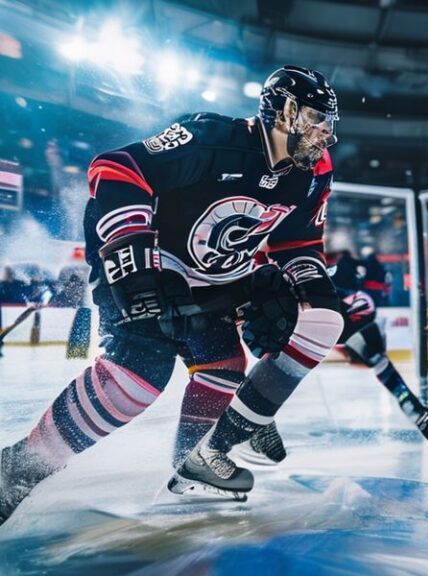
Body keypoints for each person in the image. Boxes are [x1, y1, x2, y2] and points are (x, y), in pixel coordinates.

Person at [0, 65, 344, 525]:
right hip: (150, 259)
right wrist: (134, 260)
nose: (327, 134)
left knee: (225, 366)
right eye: (319, 119)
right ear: (285, 111)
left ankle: (196, 460)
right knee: (138, 372)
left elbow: (297, 242)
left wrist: (316, 292)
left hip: (219, 276)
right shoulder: (210, 139)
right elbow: (115, 168)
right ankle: (17, 469)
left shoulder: (314, 172)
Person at [173, 281, 428, 469]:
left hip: (234, 309)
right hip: (216, 302)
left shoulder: (351, 317)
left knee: (223, 366)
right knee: (221, 365)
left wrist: (413, 408)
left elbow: (383, 368)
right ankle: (199, 452)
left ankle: (203, 448)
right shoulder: (320, 300)